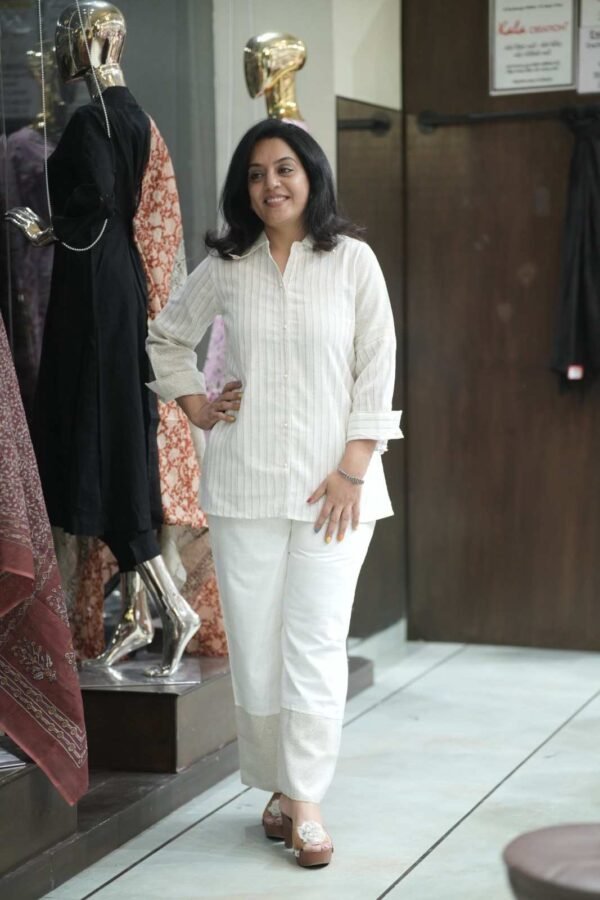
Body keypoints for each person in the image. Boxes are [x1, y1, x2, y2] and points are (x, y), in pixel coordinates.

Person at [146, 118, 402, 868]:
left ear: (311, 175)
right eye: (256, 175)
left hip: (336, 492)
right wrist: (197, 405)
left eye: (284, 169)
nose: (271, 185)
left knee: (315, 643)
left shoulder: (352, 261)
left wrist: (353, 468)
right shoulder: (228, 266)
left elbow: (377, 362)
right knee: (257, 649)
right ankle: (280, 787)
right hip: (245, 487)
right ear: (244, 189)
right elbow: (165, 337)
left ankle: (307, 798)